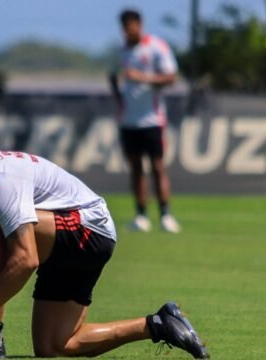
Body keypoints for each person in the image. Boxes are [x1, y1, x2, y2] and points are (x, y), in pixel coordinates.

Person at [0, 143, 209, 358]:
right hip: (65, 240)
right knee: (54, 345)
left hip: (89, 229)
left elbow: (25, 259)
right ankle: (159, 324)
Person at [108, 9, 181, 233]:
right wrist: (117, 92)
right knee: (136, 168)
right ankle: (141, 215)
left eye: (132, 25)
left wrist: (143, 78)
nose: (128, 31)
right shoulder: (122, 51)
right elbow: (117, 79)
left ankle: (165, 214)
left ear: (140, 25)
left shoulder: (156, 47)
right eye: (125, 27)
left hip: (152, 119)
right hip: (129, 121)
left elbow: (171, 78)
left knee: (158, 166)